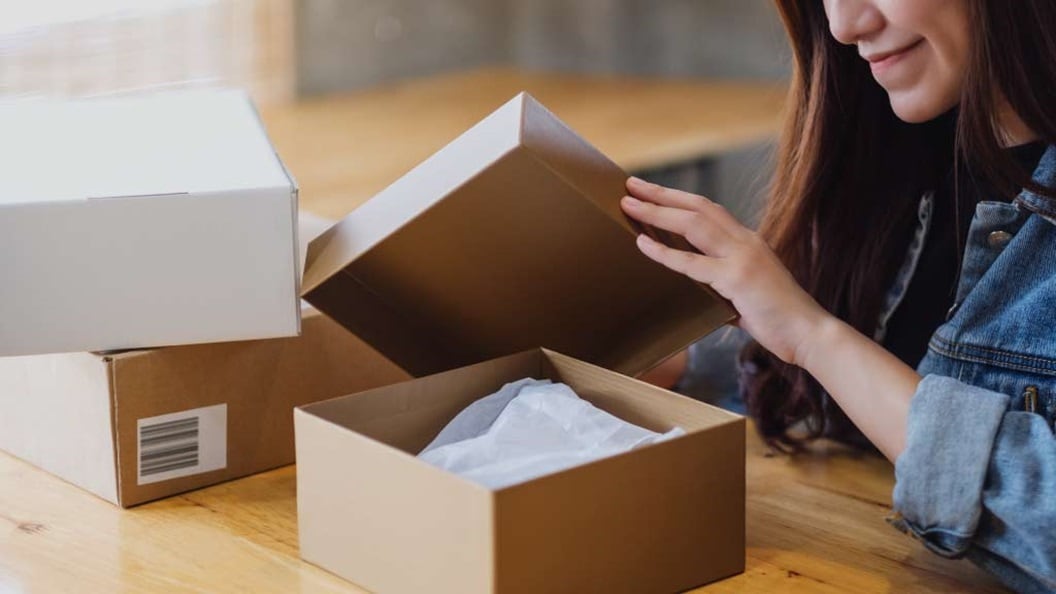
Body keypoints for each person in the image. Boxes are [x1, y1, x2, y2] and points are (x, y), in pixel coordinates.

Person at [622, 1, 1056, 591]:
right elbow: (878, 391)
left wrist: (813, 335)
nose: (844, 26)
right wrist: (678, 366)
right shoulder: (899, 154)